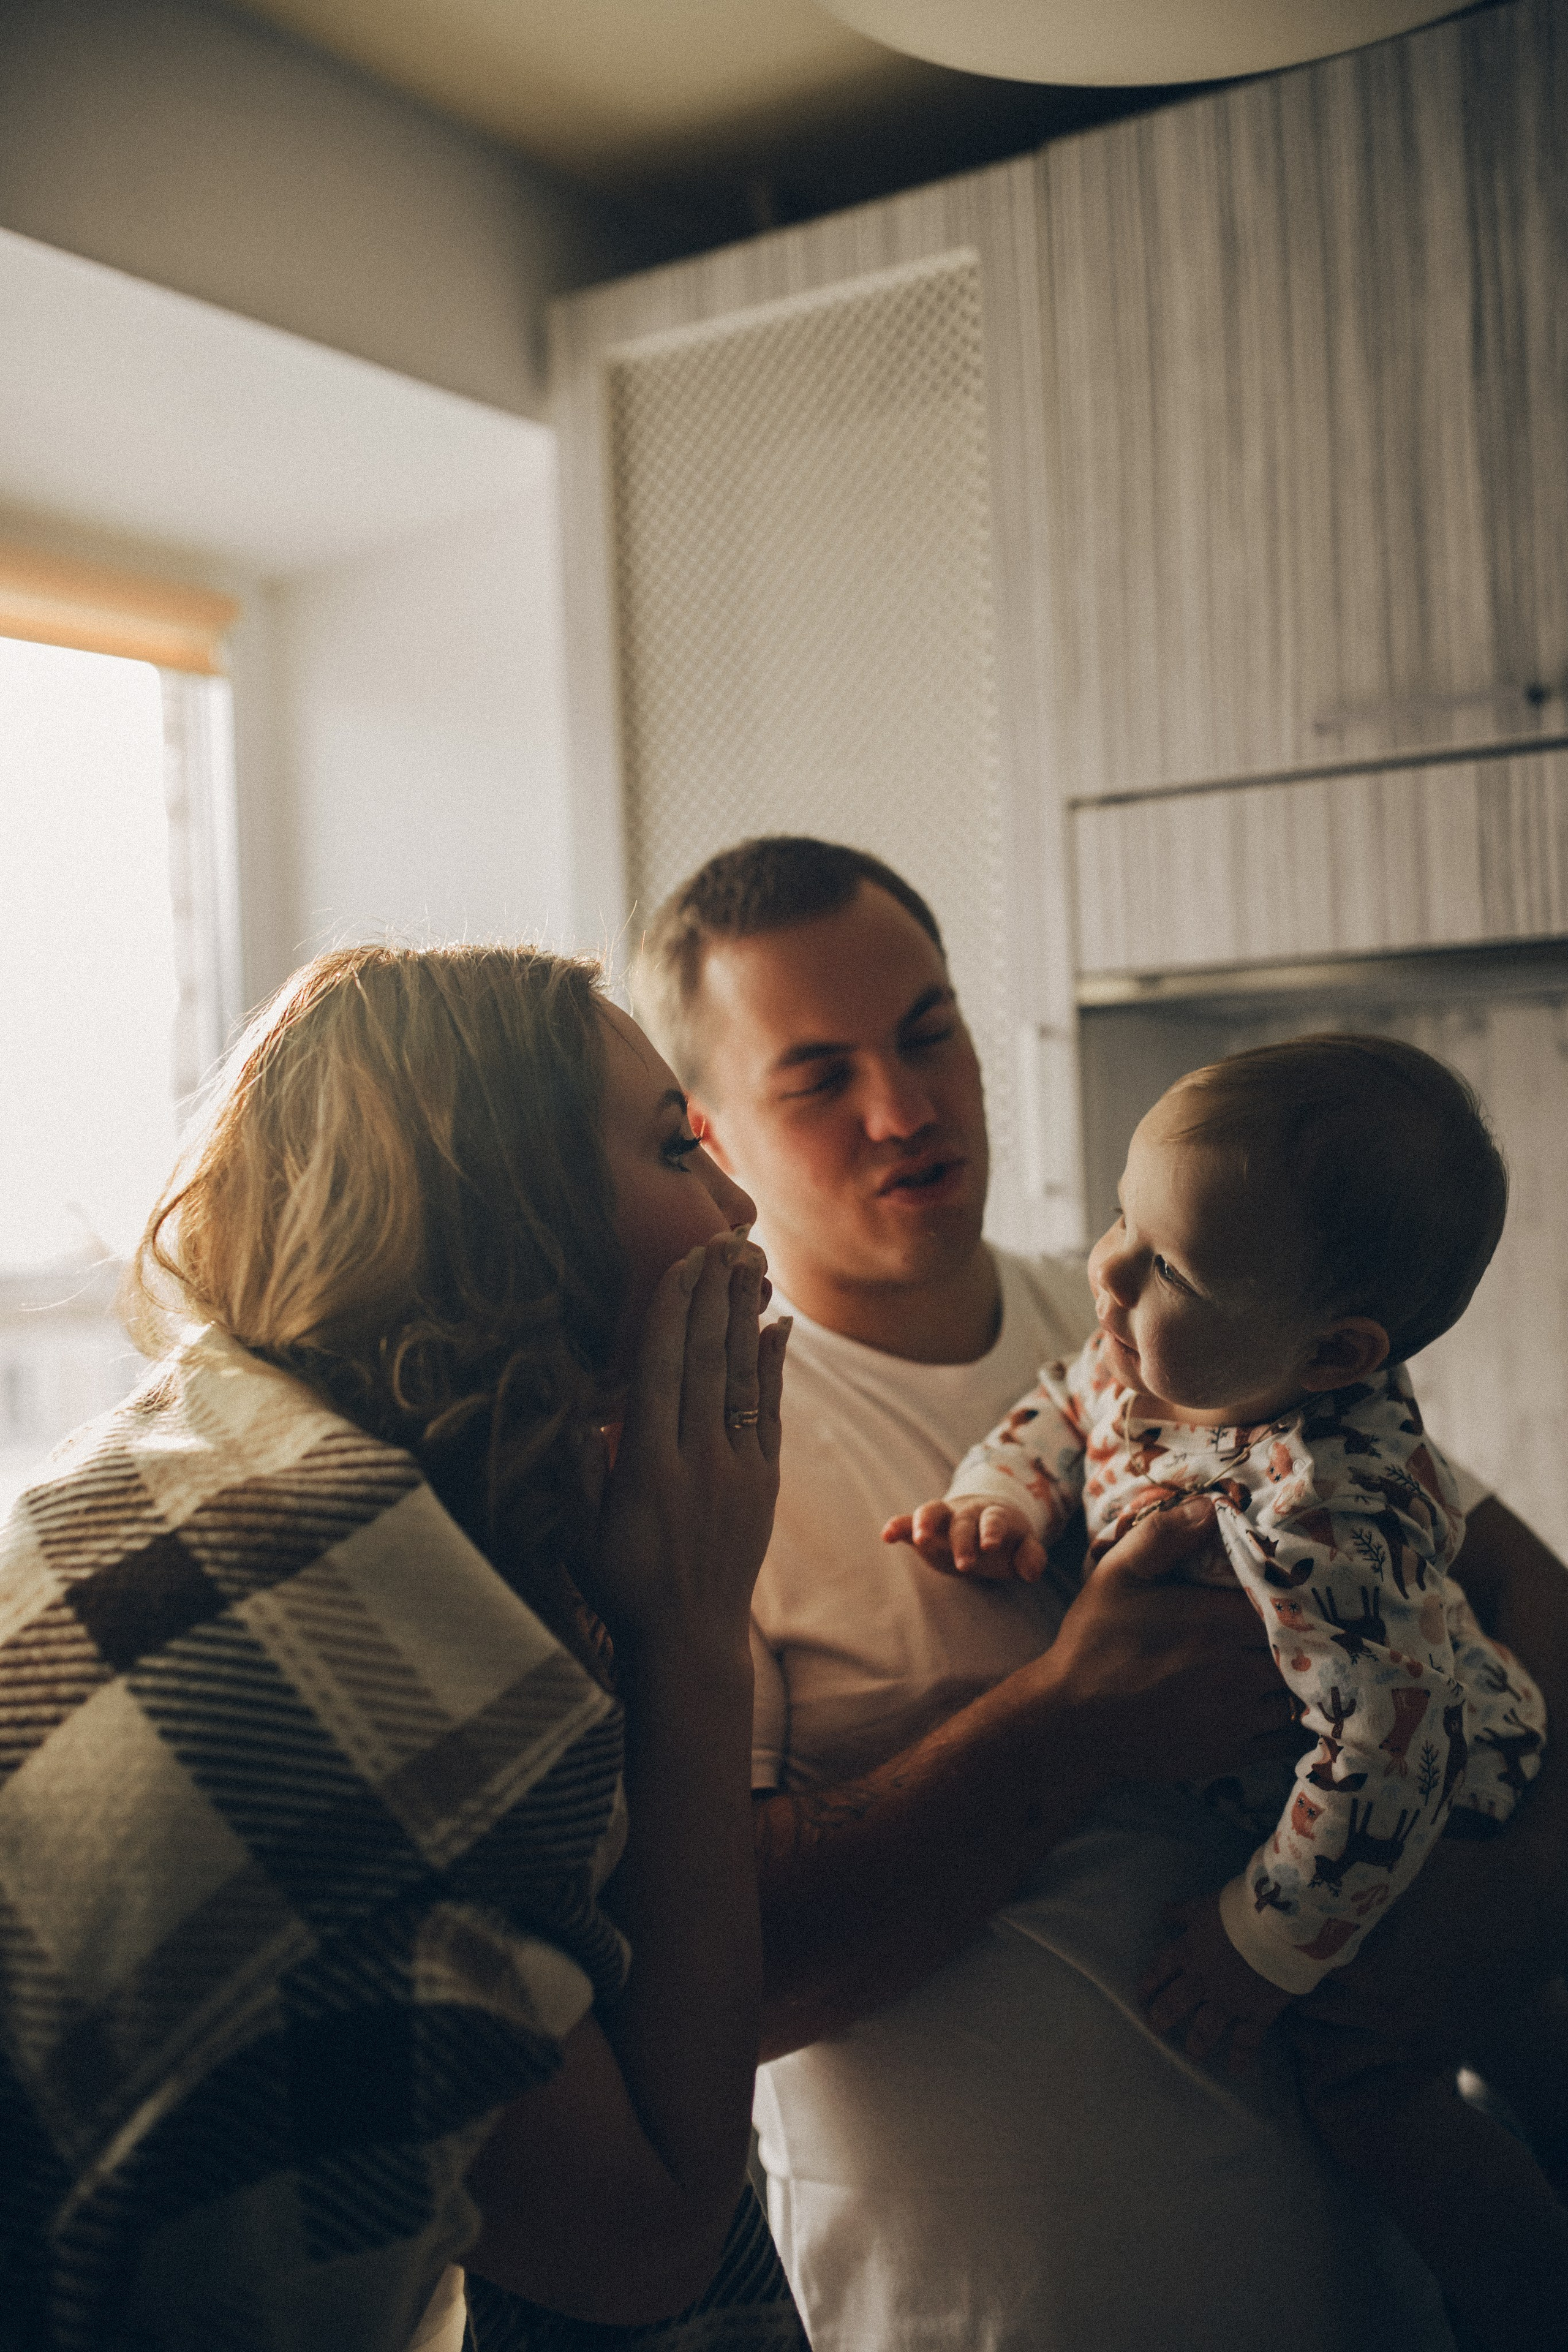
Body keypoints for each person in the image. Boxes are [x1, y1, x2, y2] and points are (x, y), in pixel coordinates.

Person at [631, 836, 1568, 2352]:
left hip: (1372, 2300)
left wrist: (1523, 1901)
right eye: (818, 1076)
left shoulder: (1185, 1306)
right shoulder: (702, 1455)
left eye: (926, 1031)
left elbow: (1530, 1610)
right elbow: (709, 1992)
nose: (904, 1108)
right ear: (715, 1136)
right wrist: (1070, 1714)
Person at [0, 944, 807, 2352]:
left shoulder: (190, 1459)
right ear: (504, 1218)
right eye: (680, 1149)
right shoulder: (308, 1654)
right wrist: (690, 1634)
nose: (738, 1208)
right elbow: (648, 2237)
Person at [888, 1034, 1567, 2349]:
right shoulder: (1166, 1352)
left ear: (1331, 1354)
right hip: (1351, 1792)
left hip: (1426, 1824)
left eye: (1166, 1264)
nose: (1108, 1270)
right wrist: (997, 1495)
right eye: (1121, 1219)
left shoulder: (1326, 1515)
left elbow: (1387, 1751)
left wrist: (1260, 1943)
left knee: (1374, 2084)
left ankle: (1526, 2294)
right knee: (1530, 2027)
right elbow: (1061, 1401)